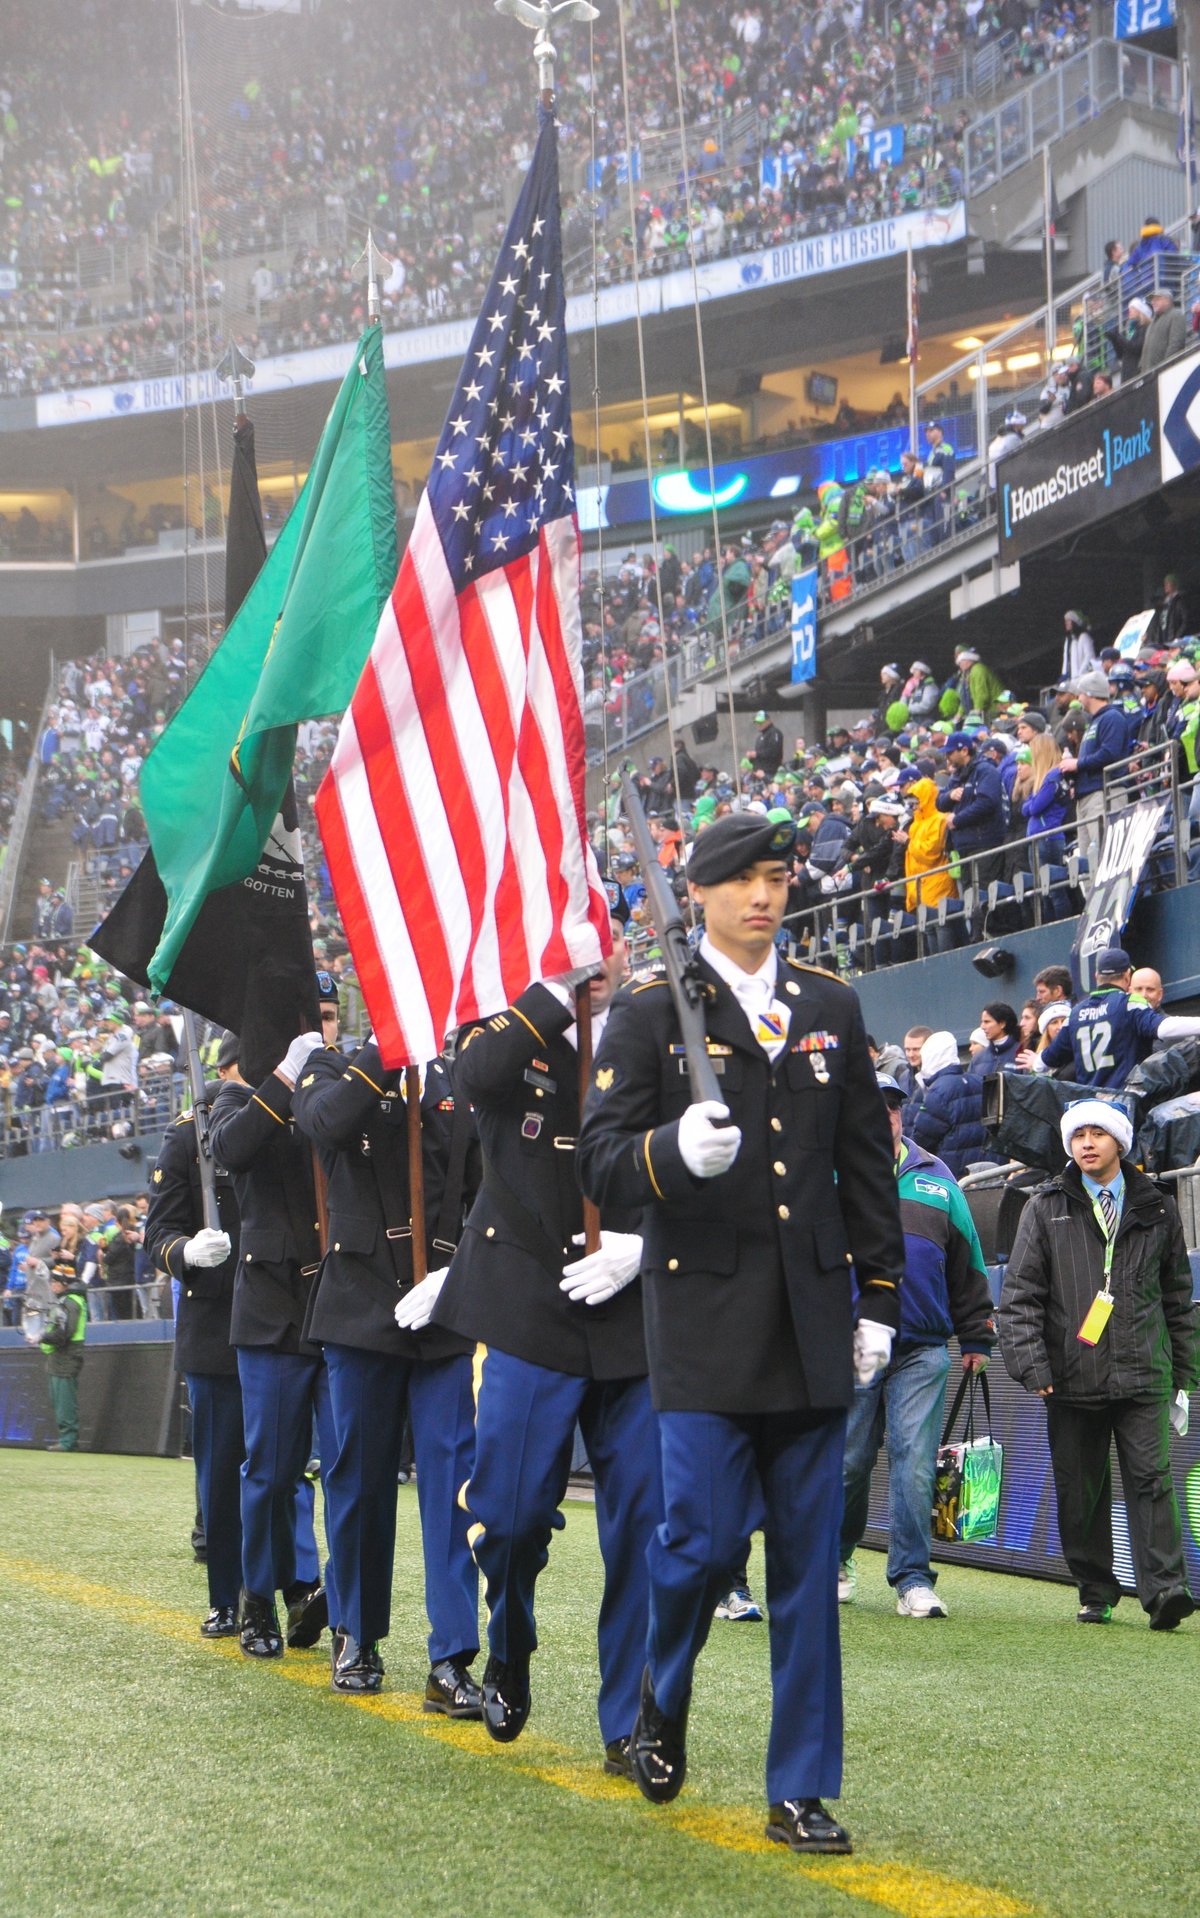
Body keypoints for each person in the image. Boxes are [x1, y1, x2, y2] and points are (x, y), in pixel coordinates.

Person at [578, 811, 905, 1856]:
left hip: (810, 1322)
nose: (763, 897)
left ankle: (799, 1786)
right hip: (704, 1326)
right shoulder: (649, 1012)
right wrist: (671, 1152)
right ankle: (659, 1695)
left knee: (806, 1566)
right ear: (700, 894)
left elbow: (867, 1165)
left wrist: (880, 1298)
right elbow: (600, 1159)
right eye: (742, 882)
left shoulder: (829, 1004)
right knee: (702, 1543)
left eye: (777, 878)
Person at [430, 921, 661, 1777]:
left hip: (630, 1306)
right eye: (578, 940)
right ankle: (510, 1640)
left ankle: (630, 1721)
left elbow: (694, 1159)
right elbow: (475, 1076)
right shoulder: (507, 1026)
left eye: (609, 938)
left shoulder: (653, 1029)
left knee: (645, 1522)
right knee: (512, 1515)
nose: (601, 957)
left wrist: (646, 1244)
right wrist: (556, 993)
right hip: (528, 1302)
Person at [292, 1039, 483, 1709]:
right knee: (359, 1484)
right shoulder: (333, 1066)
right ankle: (355, 1633)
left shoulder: (457, 1077)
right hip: (360, 1307)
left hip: (441, 1312)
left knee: (454, 1489)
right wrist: (384, 1051)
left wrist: (458, 1274)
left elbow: (484, 1192)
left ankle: (451, 1658)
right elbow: (325, 1123)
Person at [1000, 1100, 1197, 1629]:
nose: (1087, 1143)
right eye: (1078, 1135)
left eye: (1098, 1133)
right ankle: (1095, 1590)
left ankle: (1166, 1592)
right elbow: (1019, 1296)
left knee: (1153, 1482)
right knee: (1080, 1491)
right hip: (1069, 1376)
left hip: (1145, 1374)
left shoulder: (1158, 1206)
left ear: (1120, 1143)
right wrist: (1032, 1366)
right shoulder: (1043, 1207)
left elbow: (1178, 1298)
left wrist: (1183, 1374)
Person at [207, 979, 341, 1662]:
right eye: (313, 1019)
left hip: (341, 1306)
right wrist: (288, 1074)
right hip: (273, 1310)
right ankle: (257, 1597)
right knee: (271, 1469)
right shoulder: (241, 1094)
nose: (324, 1029)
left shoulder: (344, 1087)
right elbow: (231, 1149)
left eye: (331, 1017)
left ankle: (336, 1601)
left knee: (347, 1467)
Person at [839, 1076, 994, 1617]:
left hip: (922, 1346)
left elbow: (968, 1259)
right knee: (848, 1462)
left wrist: (976, 1334)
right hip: (853, 1342)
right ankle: (835, 1559)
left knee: (915, 1464)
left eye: (891, 1107)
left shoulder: (938, 1177)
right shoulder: (830, 1173)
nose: (883, 1115)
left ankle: (912, 1579)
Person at [144, 1033, 256, 1640]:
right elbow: (158, 1232)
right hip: (217, 1323)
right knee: (220, 1472)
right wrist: (187, 1251)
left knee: (285, 1474)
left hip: (287, 1316)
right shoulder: (190, 1132)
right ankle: (226, 1596)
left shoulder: (291, 1113)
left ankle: (290, 1588)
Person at [1038, 947, 1200, 1087]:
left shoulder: (1074, 1013)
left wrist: (1035, 1062)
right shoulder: (1129, 1003)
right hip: (1122, 1103)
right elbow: (1163, 1028)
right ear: (1127, 975)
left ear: (1096, 976)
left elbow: (1045, 1061)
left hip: (1089, 1105)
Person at [1058, 671, 1129, 882]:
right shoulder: (1095, 722)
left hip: (1104, 794)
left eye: (1080, 693)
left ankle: (1111, 898)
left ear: (1089, 693)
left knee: (1106, 855)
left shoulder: (1112, 717)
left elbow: (1110, 753)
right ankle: (1093, 901)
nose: (1078, 698)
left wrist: (1077, 764)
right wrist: (1074, 773)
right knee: (1088, 865)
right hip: (1087, 796)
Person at [907, 1031, 986, 1179]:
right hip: (984, 1169)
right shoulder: (979, 1082)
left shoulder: (938, 1092)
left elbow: (921, 1140)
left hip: (951, 1173)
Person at [937, 731, 1006, 893]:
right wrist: (950, 795)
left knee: (987, 896)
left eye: (950, 753)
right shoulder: (957, 775)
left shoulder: (985, 770)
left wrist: (957, 820)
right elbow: (939, 803)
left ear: (964, 751)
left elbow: (987, 803)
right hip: (964, 846)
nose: (947, 757)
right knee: (970, 898)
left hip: (985, 844)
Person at [31, 1257, 87, 1450]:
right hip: (61, 1357)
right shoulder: (68, 1301)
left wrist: (41, 1337)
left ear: (64, 1283)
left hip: (66, 1356)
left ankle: (68, 1440)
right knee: (61, 1400)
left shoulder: (70, 1302)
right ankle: (67, 1439)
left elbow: (64, 1333)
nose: (52, 1285)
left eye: (55, 1281)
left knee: (65, 1401)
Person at [968, 1002, 1021, 1078]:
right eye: (982, 1022)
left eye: (987, 1022)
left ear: (1002, 1024)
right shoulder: (977, 1058)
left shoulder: (1021, 1053)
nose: (982, 1026)